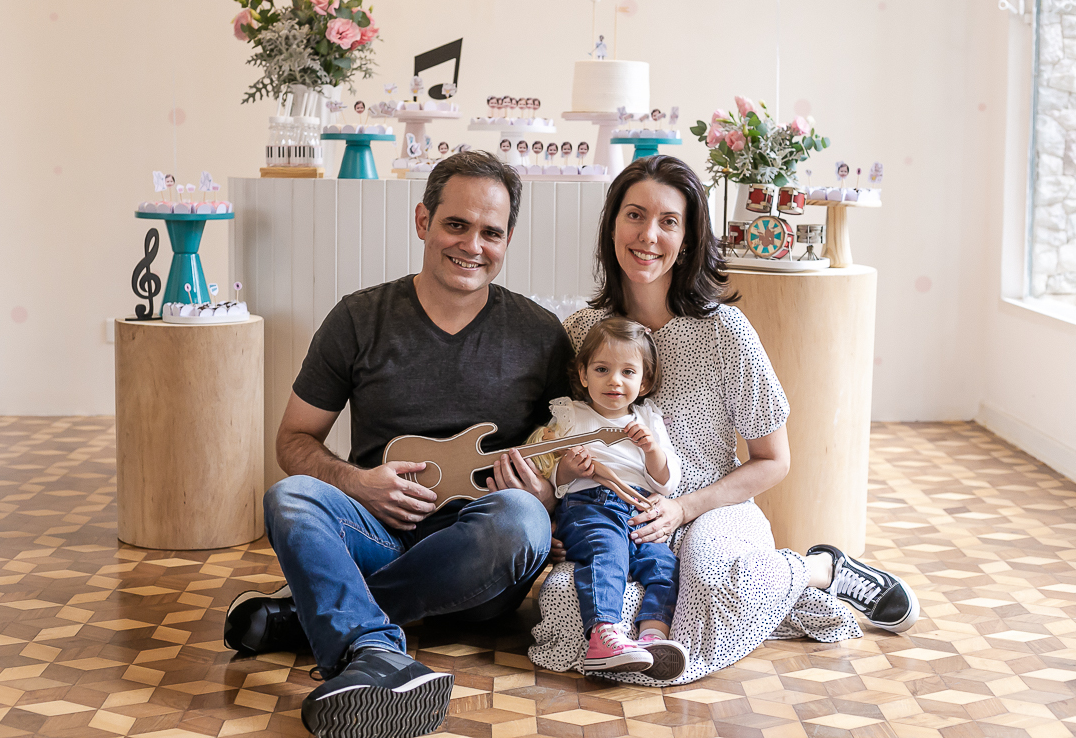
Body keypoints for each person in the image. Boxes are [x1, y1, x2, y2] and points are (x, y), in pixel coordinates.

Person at [528, 155, 919, 686]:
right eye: (635, 215)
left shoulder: (725, 331)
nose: (648, 234)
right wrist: (557, 511)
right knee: (568, 610)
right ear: (612, 225)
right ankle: (779, 599)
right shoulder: (582, 331)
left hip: (713, 506)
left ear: (688, 238)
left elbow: (773, 461)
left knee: (712, 582)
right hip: (615, 519)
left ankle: (819, 569)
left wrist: (683, 506)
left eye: (669, 221)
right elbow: (561, 441)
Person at [224, 151, 573, 738]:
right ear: (422, 222)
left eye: (491, 232)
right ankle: (377, 652)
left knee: (520, 518)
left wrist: (546, 494)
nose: (471, 246)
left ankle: (315, 619)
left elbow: (565, 459)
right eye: (455, 225)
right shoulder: (359, 318)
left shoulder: (541, 335)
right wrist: (356, 483)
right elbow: (294, 440)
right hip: (375, 533)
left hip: (478, 563)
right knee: (290, 497)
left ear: (509, 238)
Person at [538, 317, 689, 682]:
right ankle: (603, 635)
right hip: (589, 507)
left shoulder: (648, 420)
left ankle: (653, 637)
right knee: (609, 554)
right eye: (602, 369)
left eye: (627, 372)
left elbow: (667, 483)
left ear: (645, 381)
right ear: (584, 374)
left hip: (638, 510)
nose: (614, 381)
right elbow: (549, 476)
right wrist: (569, 470)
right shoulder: (570, 416)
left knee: (663, 564)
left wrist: (651, 449)